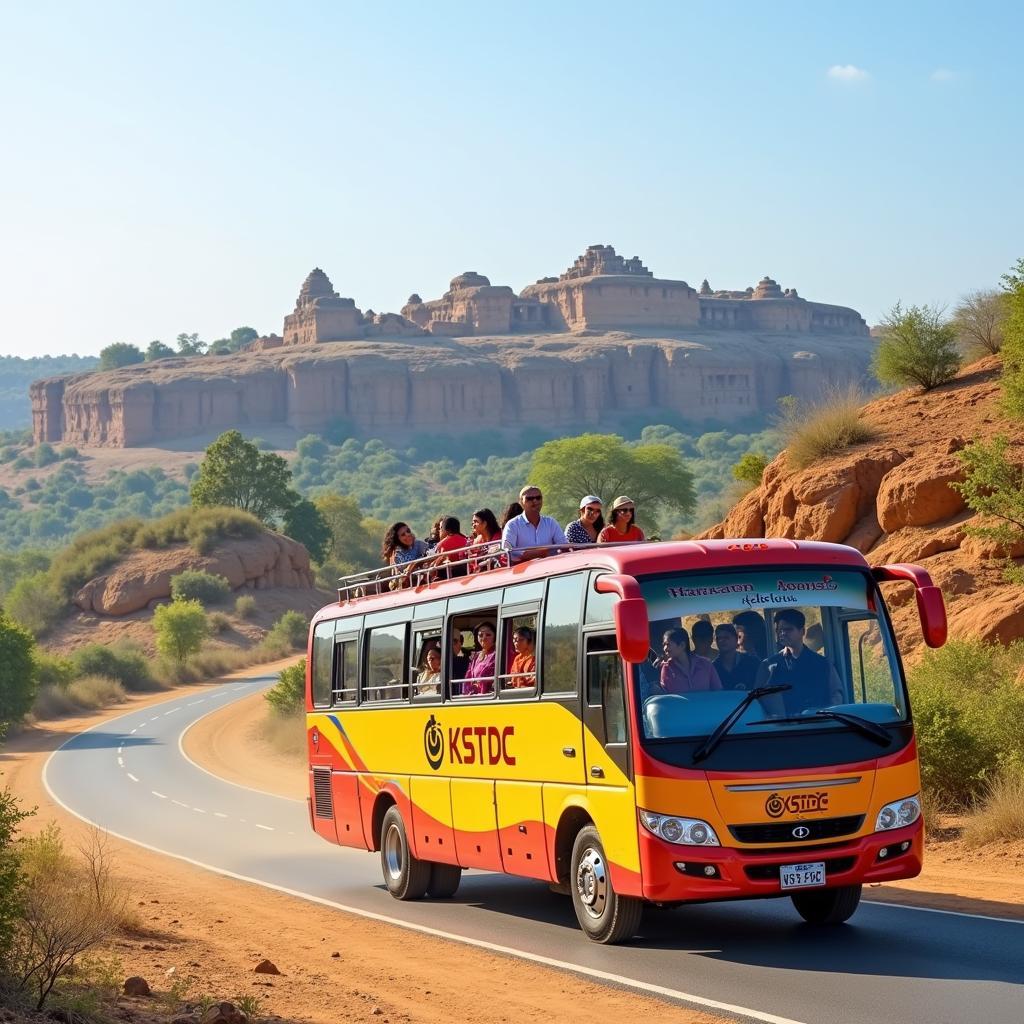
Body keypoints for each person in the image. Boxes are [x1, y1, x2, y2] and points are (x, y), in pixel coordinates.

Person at [757, 608, 845, 716]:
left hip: (818, 725)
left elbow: (836, 695)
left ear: (802, 631)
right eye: (779, 630)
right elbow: (758, 700)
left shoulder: (823, 664)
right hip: (781, 728)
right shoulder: (769, 666)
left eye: (788, 629)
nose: (782, 633)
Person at [501, 485, 567, 564]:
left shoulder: (551, 523)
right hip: (523, 570)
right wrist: (533, 554)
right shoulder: (512, 525)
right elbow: (507, 551)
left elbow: (563, 545)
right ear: (521, 502)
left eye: (538, 498)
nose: (535, 501)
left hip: (550, 568)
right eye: (529, 499)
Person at [659, 627, 721, 694]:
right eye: (664, 645)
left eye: (668, 644)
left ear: (682, 645)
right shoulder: (667, 668)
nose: (665, 648)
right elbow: (665, 696)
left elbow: (718, 692)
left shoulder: (705, 664)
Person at [713, 622, 759, 691]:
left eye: (726, 637)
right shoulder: (713, 668)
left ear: (736, 639)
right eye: (718, 638)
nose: (721, 640)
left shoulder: (753, 663)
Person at [381, 522, 429, 587]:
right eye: (403, 534)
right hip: (406, 584)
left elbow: (431, 554)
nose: (407, 534)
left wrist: (416, 563)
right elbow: (400, 572)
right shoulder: (396, 554)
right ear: (397, 539)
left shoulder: (419, 544)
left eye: (408, 531)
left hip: (423, 580)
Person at [461, 621, 497, 695]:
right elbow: (468, 677)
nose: (484, 638)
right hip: (474, 696)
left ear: (495, 637)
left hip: (489, 696)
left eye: (488, 635)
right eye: (480, 635)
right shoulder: (476, 656)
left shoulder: (497, 655)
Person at [468, 508, 504, 572]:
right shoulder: (477, 541)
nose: (473, 525)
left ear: (484, 524)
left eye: (476, 522)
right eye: (472, 522)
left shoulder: (499, 537)